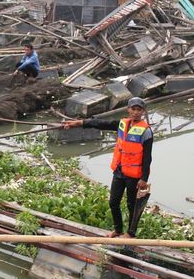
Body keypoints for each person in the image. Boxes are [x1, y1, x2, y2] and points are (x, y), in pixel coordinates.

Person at [63, 97, 153, 238]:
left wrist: (144, 179)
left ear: (143, 111)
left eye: (139, 110)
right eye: (133, 109)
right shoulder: (122, 124)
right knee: (113, 202)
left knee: (132, 205)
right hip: (119, 171)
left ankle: (130, 233)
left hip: (134, 176)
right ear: (128, 109)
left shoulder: (146, 132)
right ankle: (118, 230)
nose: (136, 112)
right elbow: (101, 123)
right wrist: (79, 123)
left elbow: (147, 158)